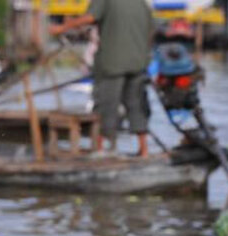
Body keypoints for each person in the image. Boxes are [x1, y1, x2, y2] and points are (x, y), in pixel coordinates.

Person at [49, 0, 153, 157]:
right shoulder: (141, 3)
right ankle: (144, 150)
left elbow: (90, 17)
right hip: (138, 62)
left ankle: (101, 150)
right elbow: (151, 28)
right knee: (137, 105)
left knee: (105, 105)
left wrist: (62, 28)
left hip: (112, 62)